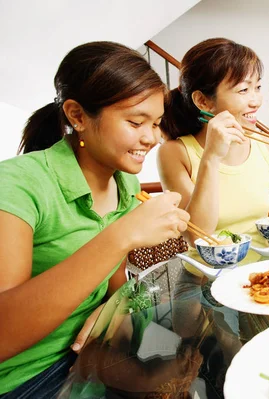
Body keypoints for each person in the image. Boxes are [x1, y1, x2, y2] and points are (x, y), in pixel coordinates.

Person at [0, 41, 190, 398]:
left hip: (97, 348)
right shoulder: (16, 184)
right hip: (30, 375)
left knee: (195, 356)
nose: (150, 138)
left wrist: (108, 313)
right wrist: (123, 235)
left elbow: (114, 285)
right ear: (78, 116)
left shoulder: (126, 182)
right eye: (135, 122)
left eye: (156, 123)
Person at [158, 38, 269, 247]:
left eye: (258, 87)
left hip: (264, 272)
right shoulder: (175, 153)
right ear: (203, 101)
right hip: (207, 275)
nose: (256, 101)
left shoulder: (267, 144)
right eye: (243, 90)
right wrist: (211, 157)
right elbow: (197, 235)